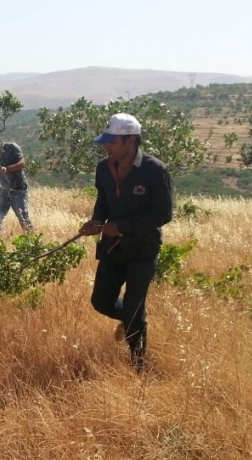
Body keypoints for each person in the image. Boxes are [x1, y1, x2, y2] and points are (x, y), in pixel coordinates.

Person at [78, 113, 174, 373]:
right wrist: (96, 220)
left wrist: (122, 226)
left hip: (143, 250)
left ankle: (138, 364)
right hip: (112, 248)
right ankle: (133, 319)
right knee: (101, 302)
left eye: (112, 141)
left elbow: (163, 214)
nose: (106, 146)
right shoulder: (103, 169)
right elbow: (104, 200)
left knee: (133, 307)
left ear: (130, 141)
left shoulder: (155, 170)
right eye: (106, 141)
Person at [0, 139, 33, 232]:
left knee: (24, 219)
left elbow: (22, 163)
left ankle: (32, 242)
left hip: (19, 190)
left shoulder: (11, 147)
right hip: (4, 191)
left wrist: (7, 169)